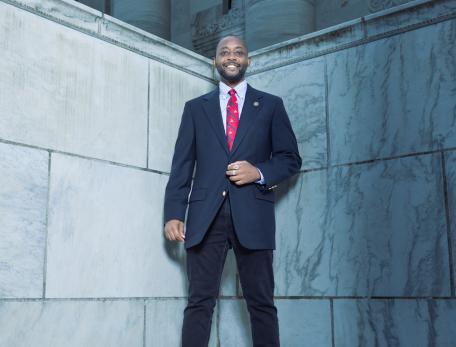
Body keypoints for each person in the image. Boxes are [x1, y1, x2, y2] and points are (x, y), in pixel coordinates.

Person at [163, 35, 301, 347]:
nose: (231, 56)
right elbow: (182, 166)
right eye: (224, 52)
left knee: (262, 304)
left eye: (239, 52)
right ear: (214, 61)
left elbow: (290, 159)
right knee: (199, 303)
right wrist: (173, 214)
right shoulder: (195, 109)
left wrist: (259, 171)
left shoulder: (271, 106)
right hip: (204, 218)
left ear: (248, 60)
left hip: (253, 216)